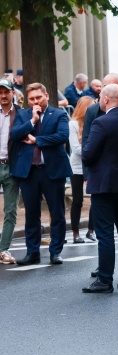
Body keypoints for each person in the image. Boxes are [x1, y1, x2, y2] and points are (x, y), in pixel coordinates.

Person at [81, 84, 118, 293]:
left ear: (105, 99)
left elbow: (88, 154)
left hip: (104, 186)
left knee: (105, 233)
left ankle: (105, 279)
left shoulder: (101, 122)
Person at [11, 83, 73, 265]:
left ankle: (55, 252)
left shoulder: (59, 114)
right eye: (32, 99)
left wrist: (37, 139)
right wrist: (32, 121)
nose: (35, 101)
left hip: (52, 170)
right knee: (31, 214)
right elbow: (14, 135)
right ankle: (32, 252)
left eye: (39, 97)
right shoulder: (23, 115)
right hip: (29, 172)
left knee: (57, 212)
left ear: (46, 95)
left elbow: (62, 136)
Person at [68, 96, 95, 243]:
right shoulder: (73, 124)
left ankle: (91, 230)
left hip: (91, 164)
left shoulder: (94, 122)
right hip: (77, 166)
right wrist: (92, 151)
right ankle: (75, 232)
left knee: (94, 199)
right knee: (77, 200)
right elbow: (75, 148)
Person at [0, 78, 21, 264]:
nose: (3, 96)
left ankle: (3, 250)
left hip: (12, 167)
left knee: (11, 211)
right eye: (0, 93)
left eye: (6, 92)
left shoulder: (20, 114)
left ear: (13, 93)